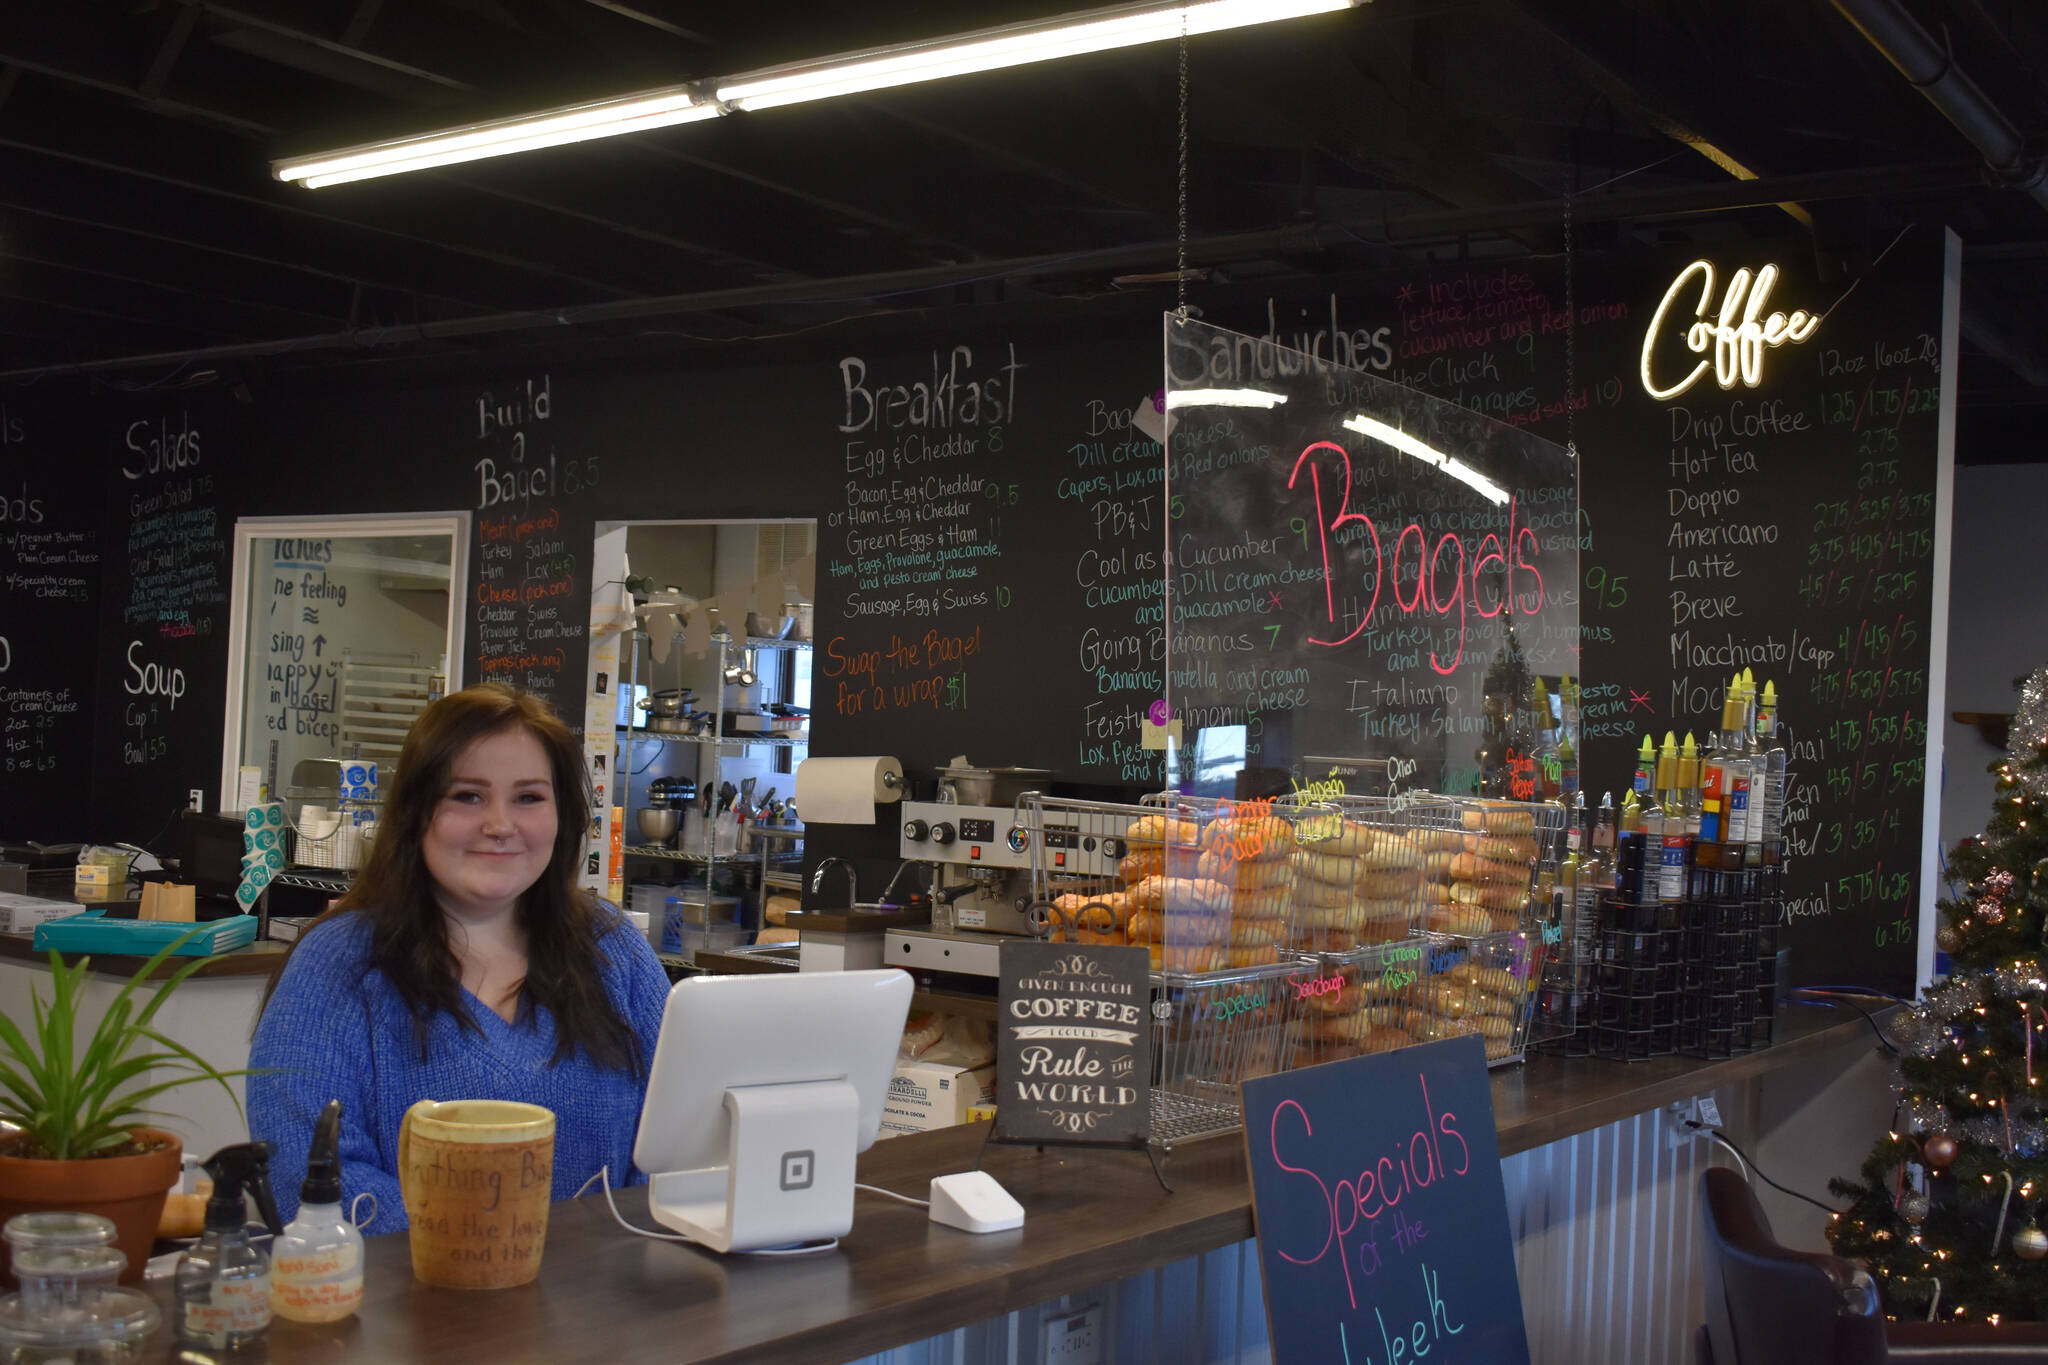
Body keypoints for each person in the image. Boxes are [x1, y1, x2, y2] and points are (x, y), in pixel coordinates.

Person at [249, 683, 671, 1229]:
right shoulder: (340, 963)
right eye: (467, 796)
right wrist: (493, 1246)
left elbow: (675, 1140)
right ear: (416, 812)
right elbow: (307, 1176)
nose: (500, 825)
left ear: (563, 815)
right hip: (413, 1304)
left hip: (606, 1300)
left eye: (529, 797)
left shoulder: (614, 949)